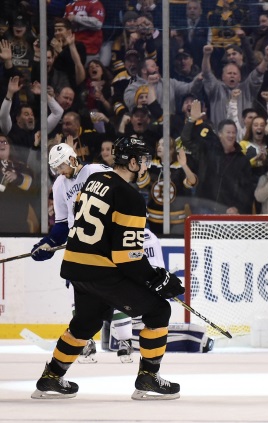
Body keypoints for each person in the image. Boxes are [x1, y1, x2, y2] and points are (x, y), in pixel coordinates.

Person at [31, 136, 185, 400]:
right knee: (160, 310)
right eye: (144, 161)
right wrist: (157, 279)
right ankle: (148, 378)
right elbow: (128, 257)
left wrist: (152, 277)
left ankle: (51, 377)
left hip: (76, 267)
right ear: (133, 162)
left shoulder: (93, 181)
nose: (146, 166)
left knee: (85, 322)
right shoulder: (131, 198)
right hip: (100, 271)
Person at [30, 142, 136, 363]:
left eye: (61, 166)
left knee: (115, 288)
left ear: (72, 159)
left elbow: (124, 196)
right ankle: (85, 341)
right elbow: (61, 223)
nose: (60, 172)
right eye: (56, 168)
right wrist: (48, 243)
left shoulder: (98, 171)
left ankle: (125, 341)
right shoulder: (60, 184)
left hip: (104, 244)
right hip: (78, 245)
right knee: (76, 289)